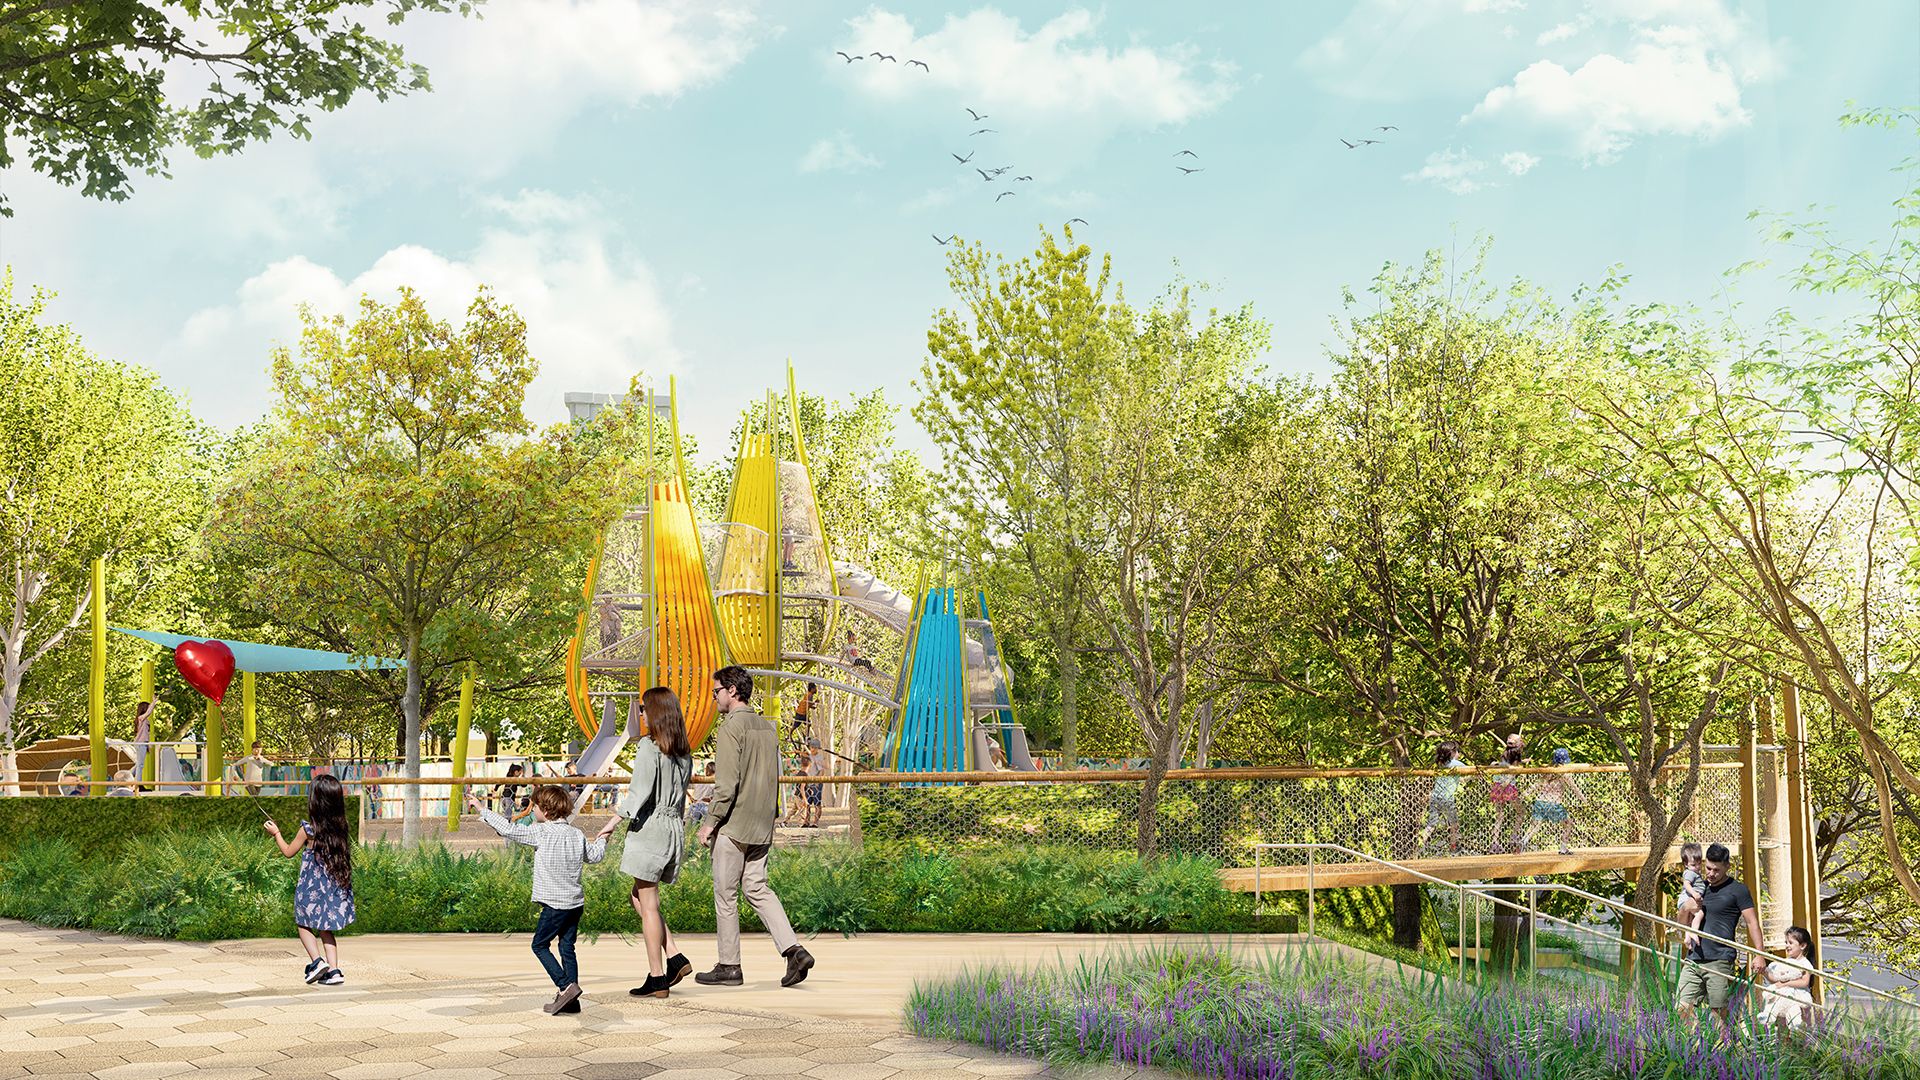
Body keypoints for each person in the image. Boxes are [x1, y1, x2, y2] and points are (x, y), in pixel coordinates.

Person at [696, 665, 816, 988]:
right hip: (762, 825)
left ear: (732, 691)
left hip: (734, 825)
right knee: (757, 888)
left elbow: (726, 786)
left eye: (716, 691)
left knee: (725, 895)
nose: (714, 698)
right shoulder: (767, 728)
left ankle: (729, 966)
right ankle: (794, 950)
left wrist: (710, 823)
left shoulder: (730, 729)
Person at [471, 783, 608, 1014]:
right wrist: (603, 838)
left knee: (540, 945)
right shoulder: (576, 834)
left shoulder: (541, 832)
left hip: (555, 906)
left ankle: (565, 987)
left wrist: (481, 809)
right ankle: (571, 1002)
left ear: (545, 810)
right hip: (575, 904)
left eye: (534, 806)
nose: (532, 810)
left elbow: (508, 829)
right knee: (567, 947)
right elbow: (594, 856)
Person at [595, 686, 695, 1000]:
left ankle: (657, 977)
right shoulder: (684, 752)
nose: (639, 713)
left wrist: (611, 824)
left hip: (651, 827)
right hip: (673, 828)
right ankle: (674, 954)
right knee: (638, 896)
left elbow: (639, 793)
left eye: (642, 708)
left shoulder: (649, 747)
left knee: (648, 905)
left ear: (654, 712)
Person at [264, 773, 355, 986]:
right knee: (325, 928)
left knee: (303, 923)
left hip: (311, 886)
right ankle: (334, 971)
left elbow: (288, 852)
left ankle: (317, 962)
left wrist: (276, 833)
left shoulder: (308, 830)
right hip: (334, 885)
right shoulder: (341, 828)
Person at [1676, 843, 1768, 1043]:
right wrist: (1684, 909)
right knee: (1681, 1007)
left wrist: (1760, 954)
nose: (1711, 874)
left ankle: (1723, 1051)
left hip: (1720, 959)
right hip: (1693, 958)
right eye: (1708, 868)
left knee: (1718, 1014)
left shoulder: (1738, 890)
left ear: (1727, 866)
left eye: (1716, 870)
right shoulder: (1699, 887)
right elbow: (1681, 925)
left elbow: (1752, 923)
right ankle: (1695, 1047)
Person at [1520, 748, 1589, 854]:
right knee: (1568, 824)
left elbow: (1535, 786)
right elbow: (1574, 789)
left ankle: (1523, 842)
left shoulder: (1547, 772)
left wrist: (1524, 795)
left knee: (1535, 826)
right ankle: (1563, 848)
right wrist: (1584, 800)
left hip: (1540, 802)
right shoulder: (1564, 774)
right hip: (1554, 804)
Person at [1757, 926, 1818, 1031]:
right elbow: (1776, 979)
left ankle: (1799, 1035)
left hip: (1798, 998)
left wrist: (1785, 984)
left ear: (1802, 946)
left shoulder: (1804, 963)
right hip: (1783, 998)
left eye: (1790, 943)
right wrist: (1765, 973)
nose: (1787, 946)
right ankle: (1769, 1018)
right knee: (1781, 1027)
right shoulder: (1785, 962)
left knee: (1797, 1024)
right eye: (1786, 942)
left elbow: (1804, 982)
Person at [1418, 740, 1471, 854]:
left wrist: (1467, 779)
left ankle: (1419, 845)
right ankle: (1453, 847)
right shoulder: (1455, 764)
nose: (1459, 754)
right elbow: (1471, 771)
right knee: (1454, 824)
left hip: (1435, 797)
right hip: (1447, 799)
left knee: (1431, 824)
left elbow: (1461, 780)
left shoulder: (1441, 764)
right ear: (1452, 753)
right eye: (1457, 751)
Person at [1488, 733, 1525, 853]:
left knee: (1500, 815)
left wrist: (1495, 765)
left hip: (1497, 785)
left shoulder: (1506, 752)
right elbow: (1513, 769)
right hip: (1507, 786)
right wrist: (1507, 782)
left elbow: (1507, 764)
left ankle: (1494, 843)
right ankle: (1513, 836)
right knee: (1521, 812)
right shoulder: (1516, 752)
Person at [1676, 842, 1708, 953]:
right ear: (1686, 864)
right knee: (1700, 914)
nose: (1697, 867)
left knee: (1689, 920)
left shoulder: (1694, 873)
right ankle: (1694, 932)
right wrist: (1694, 894)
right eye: (1694, 865)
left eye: (1699, 864)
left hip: (1688, 900)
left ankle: (1687, 938)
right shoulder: (1689, 873)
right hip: (1687, 899)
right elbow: (1687, 884)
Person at [803, 738, 827, 828]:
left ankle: (815, 822)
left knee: (817, 803)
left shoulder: (819, 758)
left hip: (816, 784)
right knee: (807, 803)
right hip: (807, 783)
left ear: (817, 748)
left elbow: (822, 771)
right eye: (811, 747)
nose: (812, 749)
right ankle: (806, 821)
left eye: (814, 747)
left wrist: (817, 782)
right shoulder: (808, 757)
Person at [687, 762, 716, 828]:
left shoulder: (698, 780)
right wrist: (710, 799)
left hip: (695, 805)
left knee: (691, 829)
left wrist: (690, 797)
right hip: (706, 806)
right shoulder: (713, 783)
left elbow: (684, 786)